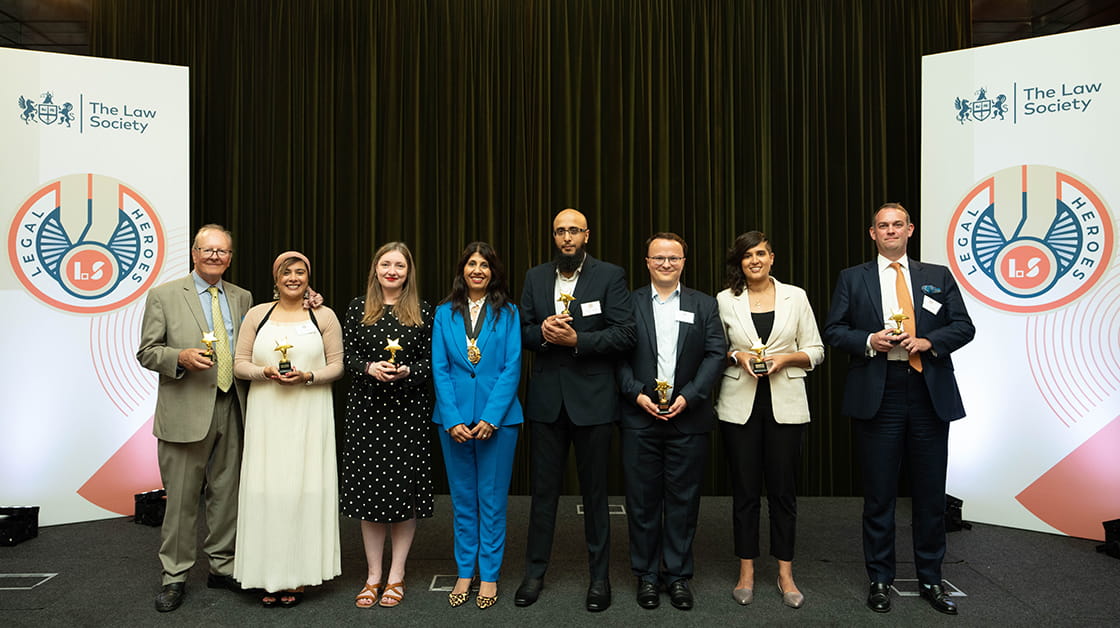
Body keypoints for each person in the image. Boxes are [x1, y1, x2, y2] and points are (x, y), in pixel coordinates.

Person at [823, 203, 975, 616]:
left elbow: (964, 326)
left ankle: (930, 578)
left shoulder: (936, 277)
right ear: (872, 233)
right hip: (880, 391)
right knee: (879, 496)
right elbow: (834, 330)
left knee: (928, 495)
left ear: (910, 229)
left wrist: (930, 342)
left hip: (928, 392)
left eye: (897, 225)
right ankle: (880, 579)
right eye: (882, 226)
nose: (890, 231)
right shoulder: (852, 278)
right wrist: (870, 340)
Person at [514, 208, 636, 613]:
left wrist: (577, 340)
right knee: (543, 493)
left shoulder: (609, 275)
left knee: (595, 494)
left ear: (587, 234)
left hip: (594, 401)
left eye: (574, 231)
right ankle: (534, 573)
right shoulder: (535, 277)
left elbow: (624, 333)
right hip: (548, 401)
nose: (567, 238)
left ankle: (599, 578)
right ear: (554, 237)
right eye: (560, 232)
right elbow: (524, 331)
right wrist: (545, 335)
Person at [137, 224, 252, 612]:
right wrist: (179, 358)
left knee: (226, 497)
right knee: (182, 502)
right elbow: (148, 352)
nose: (215, 256)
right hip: (185, 412)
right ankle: (175, 576)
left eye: (223, 251)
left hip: (231, 407)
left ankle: (222, 566)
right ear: (194, 253)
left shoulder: (242, 297)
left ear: (230, 257)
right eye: (208, 250)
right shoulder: (165, 296)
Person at [616, 233, 726, 611]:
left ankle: (677, 576)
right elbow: (617, 357)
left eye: (673, 257)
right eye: (658, 257)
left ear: (684, 261)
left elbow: (716, 354)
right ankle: (646, 576)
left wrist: (689, 396)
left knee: (683, 502)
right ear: (646, 261)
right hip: (639, 417)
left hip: (688, 418)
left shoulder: (705, 304)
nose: (666, 263)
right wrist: (636, 394)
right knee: (643, 503)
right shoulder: (627, 303)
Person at [716, 230, 824, 610]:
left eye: (760, 253)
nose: (754, 261)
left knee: (783, 493)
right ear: (740, 262)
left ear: (772, 257)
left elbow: (816, 350)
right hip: (739, 405)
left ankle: (785, 573)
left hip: (787, 404)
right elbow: (718, 348)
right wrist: (737, 357)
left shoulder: (797, 296)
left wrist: (785, 359)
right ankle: (745, 572)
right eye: (747, 256)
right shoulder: (725, 300)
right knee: (745, 493)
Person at [232, 251, 343, 607]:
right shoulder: (256, 315)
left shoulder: (323, 316)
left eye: (300, 272)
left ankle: (298, 576)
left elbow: (337, 365)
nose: (293, 277)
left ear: (309, 278)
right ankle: (268, 576)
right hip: (267, 417)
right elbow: (238, 364)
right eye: (286, 272)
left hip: (309, 414)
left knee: (304, 491)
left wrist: (308, 376)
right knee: (267, 492)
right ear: (275, 278)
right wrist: (264, 372)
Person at [340, 242, 435, 610]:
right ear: (375, 269)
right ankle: (373, 575)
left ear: (409, 271)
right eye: (385, 264)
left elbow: (433, 362)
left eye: (399, 265)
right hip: (366, 412)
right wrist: (368, 368)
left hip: (408, 413)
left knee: (403, 495)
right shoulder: (355, 308)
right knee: (370, 497)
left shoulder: (424, 311)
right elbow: (344, 354)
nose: (392, 270)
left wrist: (410, 370)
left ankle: (396, 574)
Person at [431, 242, 523, 610]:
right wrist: (452, 418)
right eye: (472, 264)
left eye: (485, 265)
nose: (478, 270)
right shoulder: (443, 314)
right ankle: (464, 571)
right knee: (464, 501)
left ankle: (489, 575)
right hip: (452, 422)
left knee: (492, 500)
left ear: (493, 272)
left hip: (498, 422)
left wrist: (490, 418)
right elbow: (440, 368)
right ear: (462, 270)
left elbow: (511, 367)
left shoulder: (510, 313)